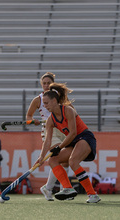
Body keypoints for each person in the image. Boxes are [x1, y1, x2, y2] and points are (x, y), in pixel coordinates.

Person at [34, 83, 101, 203]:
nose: (45, 106)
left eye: (47, 103)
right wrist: (41, 157)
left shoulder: (68, 111)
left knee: (72, 161)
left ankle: (93, 195)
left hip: (84, 138)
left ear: (54, 101)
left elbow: (73, 133)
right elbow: (47, 141)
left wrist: (59, 147)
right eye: (43, 104)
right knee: (52, 160)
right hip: (73, 142)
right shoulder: (50, 120)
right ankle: (67, 188)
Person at [26, 72, 69, 201]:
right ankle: (56, 189)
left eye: (48, 83)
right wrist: (33, 121)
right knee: (55, 156)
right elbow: (28, 117)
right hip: (48, 129)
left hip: (62, 129)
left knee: (65, 161)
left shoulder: (59, 98)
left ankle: (57, 189)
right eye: (44, 83)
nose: (46, 85)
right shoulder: (38, 99)